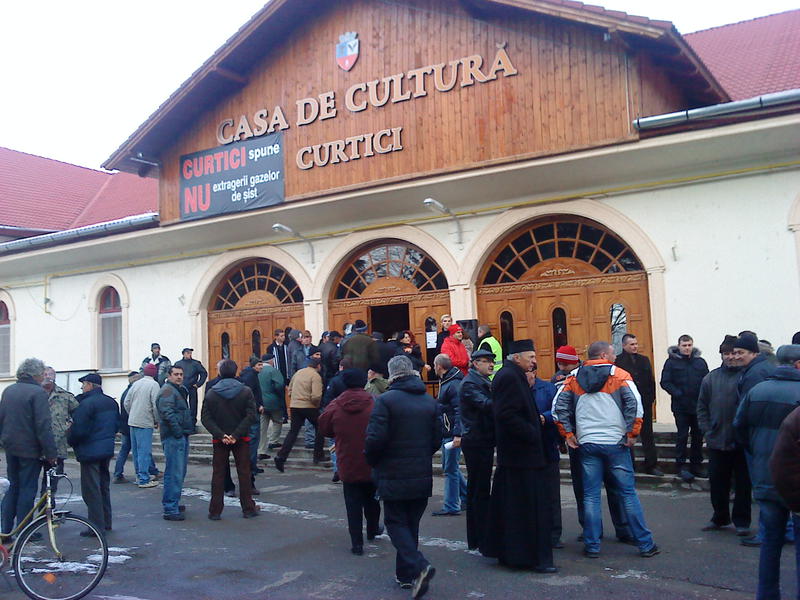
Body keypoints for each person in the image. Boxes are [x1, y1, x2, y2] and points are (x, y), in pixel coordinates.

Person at [554, 341, 659, 559]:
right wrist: (632, 434)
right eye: (612, 353)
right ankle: (645, 544)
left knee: (590, 496)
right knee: (627, 493)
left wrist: (569, 434)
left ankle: (592, 545)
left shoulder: (573, 377)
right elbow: (636, 406)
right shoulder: (620, 375)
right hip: (616, 444)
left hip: (587, 444)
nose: (615, 356)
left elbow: (558, 407)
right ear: (603, 354)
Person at [365, 355, 441, 597]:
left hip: (393, 471)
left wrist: (373, 461)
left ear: (391, 374)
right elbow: (437, 438)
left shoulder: (385, 401)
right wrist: (421, 455)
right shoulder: (429, 402)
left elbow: (375, 439)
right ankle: (406, 575)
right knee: (411, 525)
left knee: (396, 523)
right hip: (420, 471)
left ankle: (419, 566)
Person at [734, 344, 800, 600]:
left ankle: (767, 595)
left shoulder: (757, 390)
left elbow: (739, 427)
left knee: (770, 543)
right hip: (795, 479)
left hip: (764, 476)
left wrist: (757, 452)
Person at [483, 340, 556, 572]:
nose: (534, 361)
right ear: (516, 357)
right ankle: (526, 557)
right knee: (524, 510)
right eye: (531, 357)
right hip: (520, 456)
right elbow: (506, 414)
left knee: (518, 509)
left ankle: (514, 554)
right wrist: (532, 432)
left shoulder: (513, 375)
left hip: (520, 456)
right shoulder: (508, 377)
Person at [319, 369, 382, 555]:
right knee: (373, 498)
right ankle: (372, 529)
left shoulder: (336, 405)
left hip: (347, 459)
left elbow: (324, 427)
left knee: (352, 502)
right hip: (371, 458)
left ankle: (357, 543)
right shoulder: (374, 402)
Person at [696, 335, 751, 535]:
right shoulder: (710, 378)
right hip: (717, 439)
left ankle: (742, 521)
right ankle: (719, 517)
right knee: (718, 482)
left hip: (740, 440)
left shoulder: (746, 376)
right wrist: (707, 430)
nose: (730, 357)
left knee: (743, 484)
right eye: (725, 353)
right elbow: (701, 406)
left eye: (732, 353)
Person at [0, 358, 57, 535]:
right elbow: (43, 425)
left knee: (13, 487)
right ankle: (24, 531)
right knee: (27, 489)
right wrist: (51, 453)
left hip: (10, 447)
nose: (44, 377)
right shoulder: (37, 393)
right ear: (36, 374)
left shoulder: (8, 390)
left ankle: (6, 528)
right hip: (30, 449)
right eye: (42, 374)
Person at [202, 359, 259, 520]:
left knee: (218, 474)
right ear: (235, 372)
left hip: (220, 439)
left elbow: (206, 418)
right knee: (244, 473)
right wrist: (236, 434)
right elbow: (251, 415)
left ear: (220, 372)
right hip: (241, 438)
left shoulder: (212, 392)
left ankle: (215, 511)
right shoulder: (246, 391)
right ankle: (248, 508)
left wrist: (221, 434)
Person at [69, 373, 118, 533]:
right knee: (103, 486)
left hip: (90, 450)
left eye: (83, 384)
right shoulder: (111, 402)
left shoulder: (86, 404)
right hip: (106, 448)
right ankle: (106, 521)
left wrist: (70, 439)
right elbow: (116, 425)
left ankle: (95, 526)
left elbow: (79, 430)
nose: (82, 387)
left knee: (91, 490)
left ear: (90, 385)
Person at [458, 348, 495, 552]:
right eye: (486, 361)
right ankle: (477, 536)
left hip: (481, 438)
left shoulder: (481, 381)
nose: (490, 364)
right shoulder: (471, 383)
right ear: (475, 363)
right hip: (476, 440)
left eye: (492, 361)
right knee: (478, 489)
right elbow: (486, 405)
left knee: (479, 488)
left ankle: (479, 535)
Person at [659, 334, 709, 482]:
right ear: (679, 346)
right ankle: (680, 466)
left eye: (689, 345)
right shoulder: (671, 363)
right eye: (684, 345)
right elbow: (665, 382)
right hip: (680, 406)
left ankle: (696, 466)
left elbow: (707, 381)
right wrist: (677, 393)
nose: (687, 348)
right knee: (682, 436)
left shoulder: (700, 362)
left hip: (697, 406)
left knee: (697, 436)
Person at [527, 357, 563, 548]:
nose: (527, 376)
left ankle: (554, 533)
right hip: (528, 448)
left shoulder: (548, 388)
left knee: (552, 493)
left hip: (547, 444)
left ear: (535, 372)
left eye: (530, 373)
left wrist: (545, 418)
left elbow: (557, 410)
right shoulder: (519, 389)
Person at [615, 334, 662, 476]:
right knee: (627, 435)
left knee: (647, 435)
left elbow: (650, 381)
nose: (635, 346)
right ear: (624, 346)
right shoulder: (618, 362)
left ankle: (651, 465)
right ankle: (630, 465)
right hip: (626, 406)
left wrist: (650, 399)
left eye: (636, 344)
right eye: (631, 344)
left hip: (644, 404)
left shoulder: (644, 360)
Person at [157, 365, 195, 521]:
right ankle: (170, 508)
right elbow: (167, 413)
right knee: (174, 472)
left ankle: (174, 503)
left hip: (180, 434)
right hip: (174, 436)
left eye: (181, 374)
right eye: (176, 374)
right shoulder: (167, 391)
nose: (179, 377)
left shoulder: (177, 390)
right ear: (169, 375)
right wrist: (178, 431)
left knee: (179, 472)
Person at [274, 357, 324, 472]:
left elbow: (290, 389)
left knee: (293, 432)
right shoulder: (315, 376)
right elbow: (316, 395)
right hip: (309, 406)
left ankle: (281, 456)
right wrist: (316, 405)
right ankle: (318, 455)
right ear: (318, 366)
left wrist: (294, 399)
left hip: (295, 405)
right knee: (321, 426)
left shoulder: (298, 373)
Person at [431, 354, 467, 516]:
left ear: (439, 366)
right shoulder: (449, 381)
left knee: (450, 469)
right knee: (450, 466)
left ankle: (452, 505)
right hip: (449, 431)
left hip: (452, 433)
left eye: (434, 364)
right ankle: (467, 496)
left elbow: (460, 411)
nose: (432, 367)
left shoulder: (452, 384)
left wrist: (457, 434)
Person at [40, 366, 78, 495]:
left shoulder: (65, 396)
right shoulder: (34, 394)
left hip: (58, 446)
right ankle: (31, 513)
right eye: (44, 374)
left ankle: (48, 512)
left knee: (52, 484)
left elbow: (78, 414)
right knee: (29, 484)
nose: (47, 377)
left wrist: (70, 427)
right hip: (35, 447)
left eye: (49, 374)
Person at [124, 362, 162, 488]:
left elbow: (126, 402)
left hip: (133, 420)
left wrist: (132, 413)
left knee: (136, 451)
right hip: (145, 421)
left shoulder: (136, 384)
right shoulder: (154, 385)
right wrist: (156, 420)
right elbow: (156, 405)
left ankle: (138, 476)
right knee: (144, 451)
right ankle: (144, 479)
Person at [238, 356, 263, 493]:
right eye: (259, 365)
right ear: (254, 366)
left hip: (250, 412)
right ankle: (251, 467)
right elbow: (252, 394)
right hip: (252, 413)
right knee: (253, 441)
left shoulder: (249, 375)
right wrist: (258, 405)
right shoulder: (251, 377)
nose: (261, 367)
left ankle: (252, 466)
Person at [113, 371, 141, 484]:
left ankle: (117, 473)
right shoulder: (133, 391)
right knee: (138, 449)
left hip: (124, 425)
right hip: (130, 424)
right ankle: (142, 473)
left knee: (125, 450)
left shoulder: (126, 391)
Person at [257, 353, 285, 455]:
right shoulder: (273, 371)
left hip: (260, 402)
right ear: (270, 361)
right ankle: (273, 440)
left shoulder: (257, 371)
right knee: (277, 420)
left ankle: (261, 450)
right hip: (273, 401)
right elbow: (280, 384)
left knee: (262, 427)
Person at [173, 348, 208, 426]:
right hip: (181, 387)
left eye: (190, 353)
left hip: (192, 387)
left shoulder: (196, 363)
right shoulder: (178, 364)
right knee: (181, 404)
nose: (189, 354)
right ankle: (182, 421)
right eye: (188, 353)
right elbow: (173, 374)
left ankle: (192, 423)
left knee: (193, 405)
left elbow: (204, 373)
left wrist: (198, 384)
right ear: (183, 354)